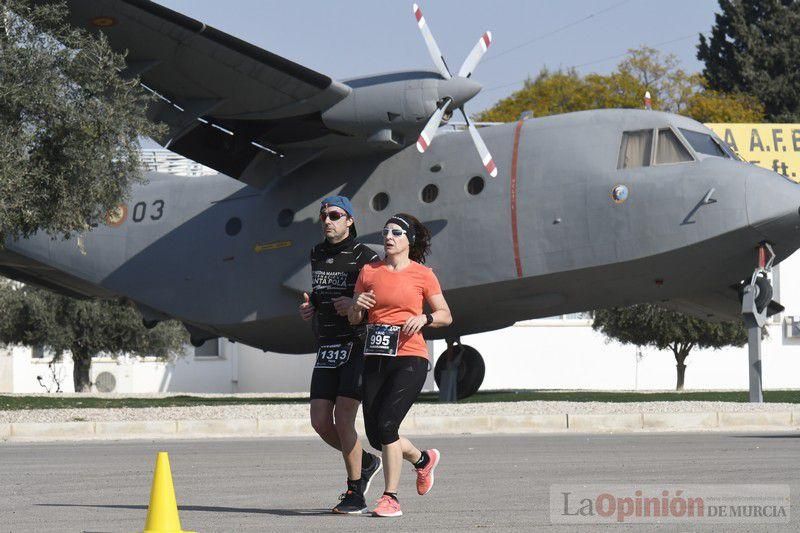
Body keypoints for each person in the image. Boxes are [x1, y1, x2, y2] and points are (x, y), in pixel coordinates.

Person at [348, 213, 452, 518]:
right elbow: (354, 317)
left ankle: (390, 497)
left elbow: (446, 314)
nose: (388, 237)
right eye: (385, 232)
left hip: (410, 357)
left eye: (396, 232)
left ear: (409, 239)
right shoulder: (368, 271)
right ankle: (422, 460)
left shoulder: (423, 274)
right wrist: (357, 307)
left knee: (387, 426)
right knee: (377, 433)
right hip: (375, 356)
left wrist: (426, 318)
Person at [299, 195, 382, 514]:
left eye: (335, 215)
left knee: (343, 416)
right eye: (323, 216)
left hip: (356, 343)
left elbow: (376, 301)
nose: (328, 220)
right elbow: (320, 294)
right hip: (327, 345)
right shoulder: (317, 253)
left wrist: (355, 305)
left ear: (349, 220)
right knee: (320, 422)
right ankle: (368, 461)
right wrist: (311, 307)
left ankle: (355, 492)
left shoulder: (366, 257)